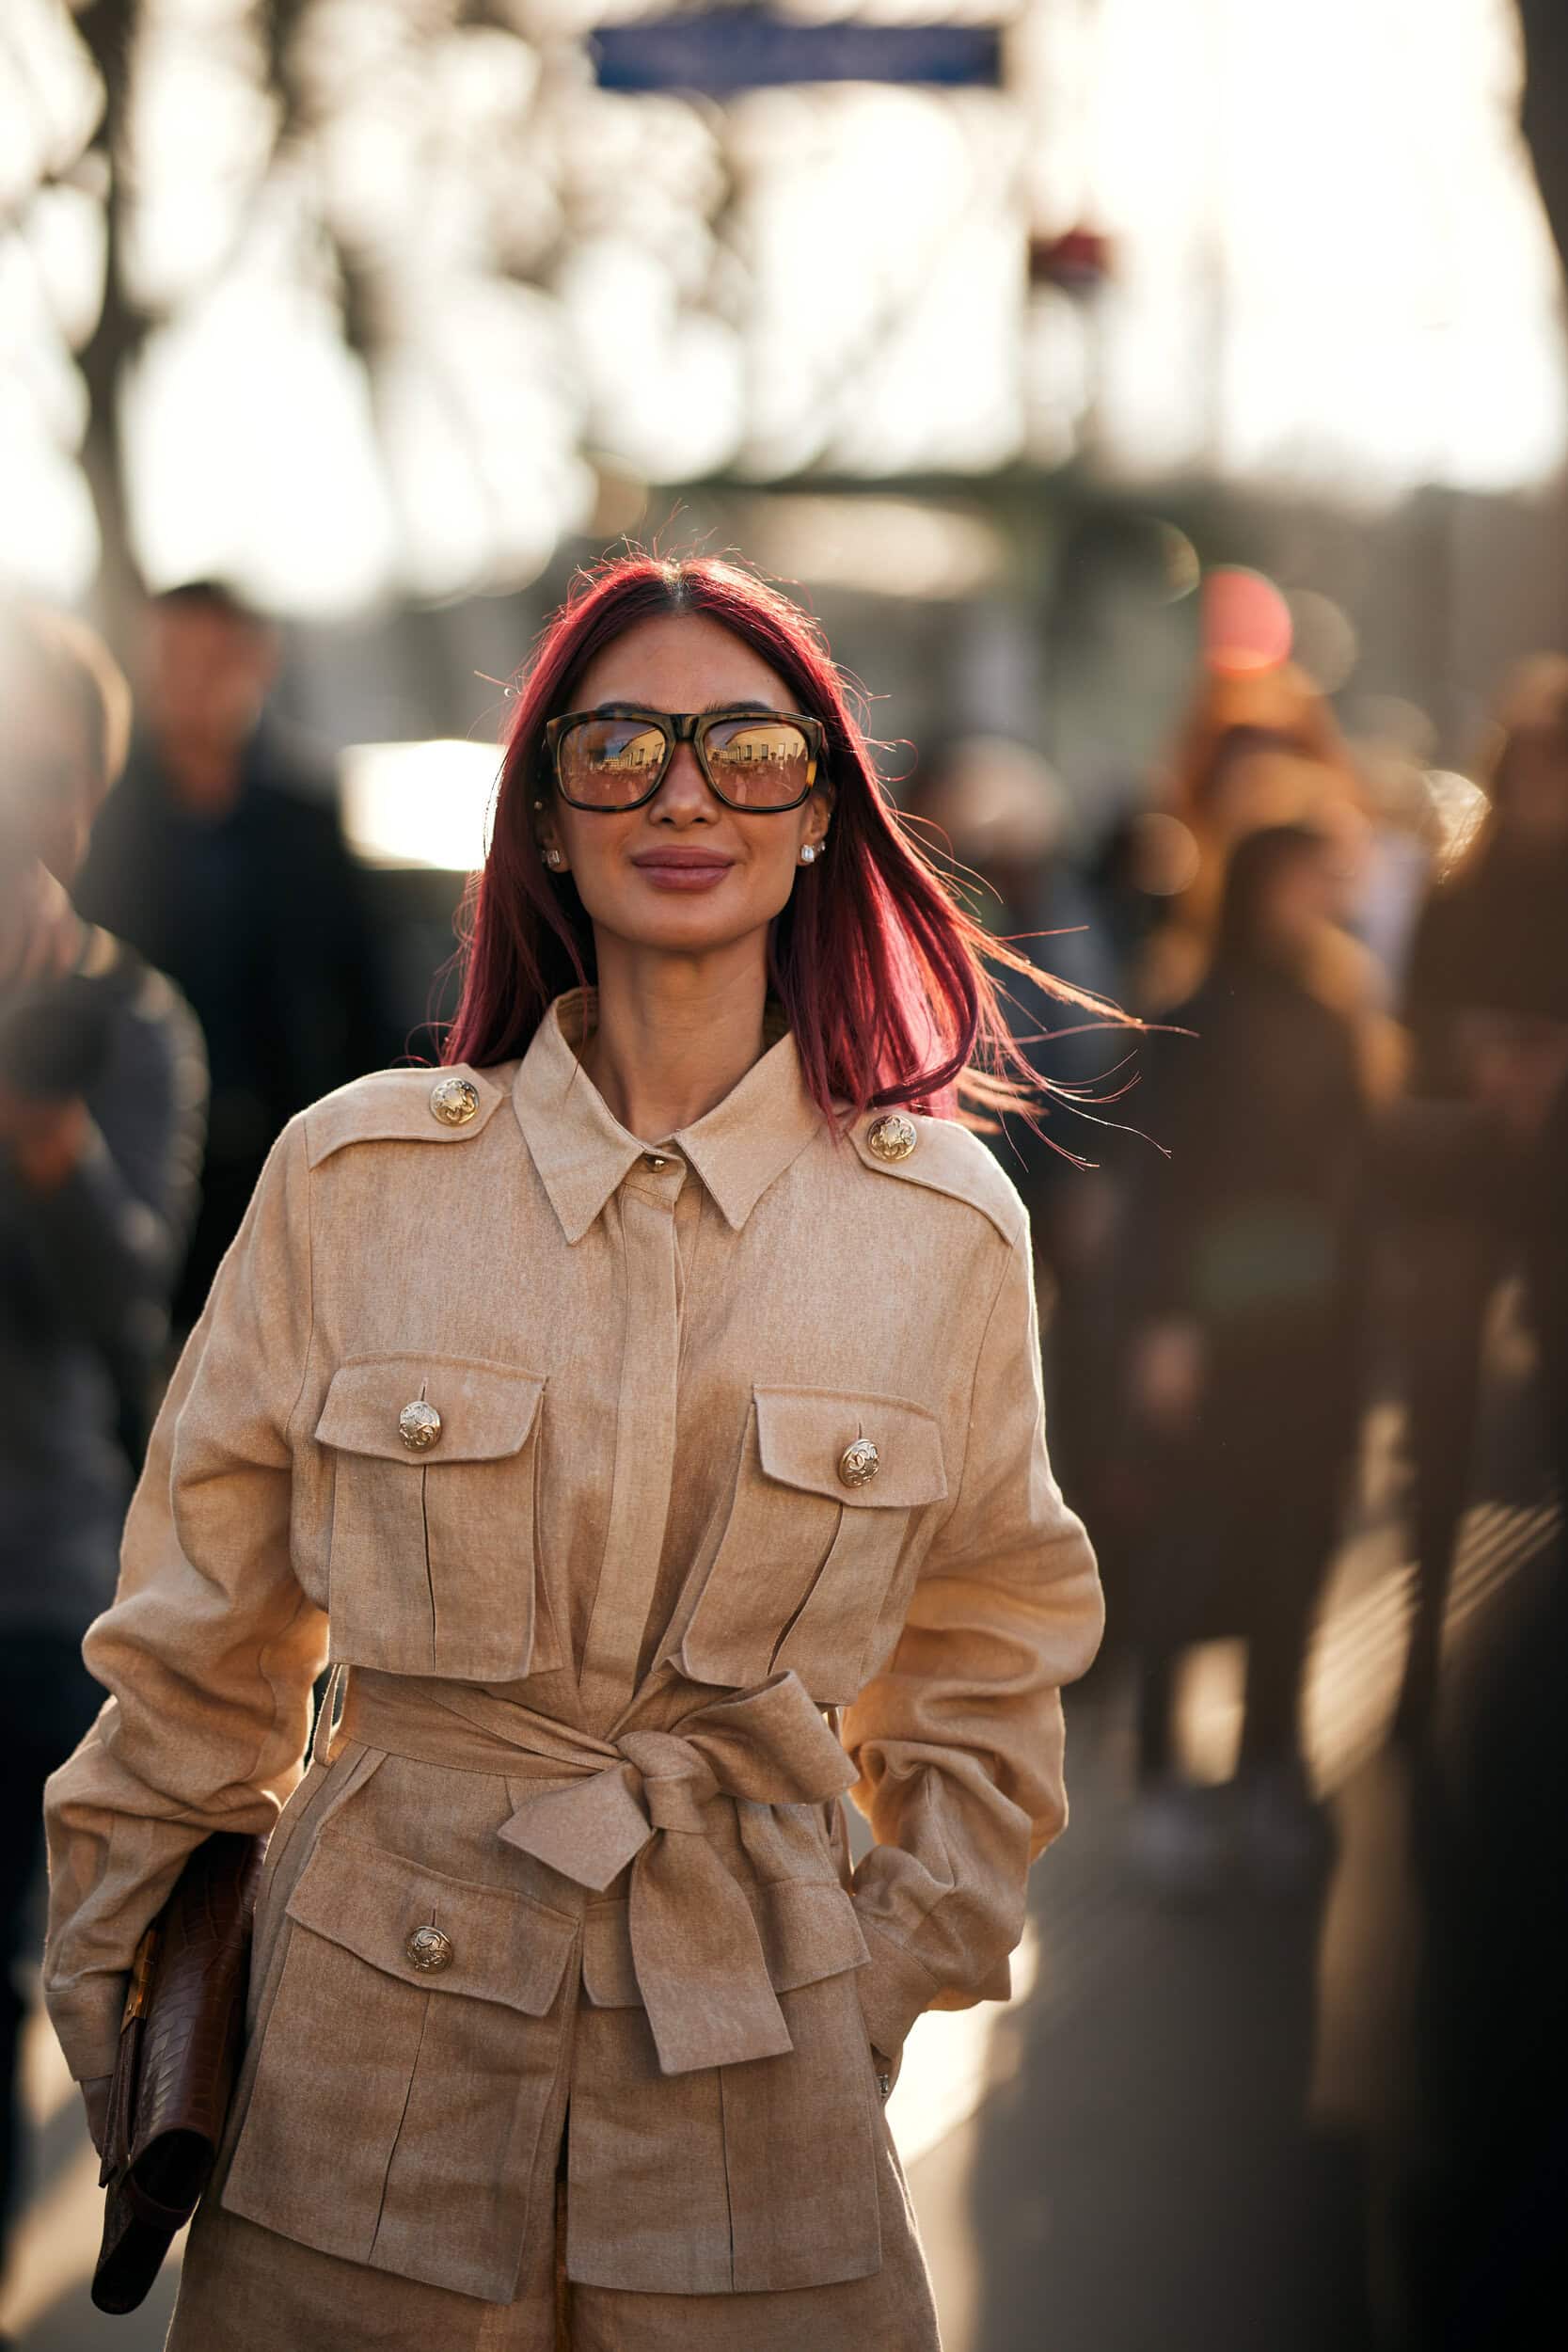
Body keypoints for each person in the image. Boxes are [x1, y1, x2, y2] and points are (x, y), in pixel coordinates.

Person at [41, 553, 1109, 2349]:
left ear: (824, 815)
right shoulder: (357, 1182)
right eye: (617, 746)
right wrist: (129, 1996)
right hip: (358, 2104)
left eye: (748, 748)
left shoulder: (941, 1234)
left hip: (759, 2100)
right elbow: (196, 1650)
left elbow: (990, 1664)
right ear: (540, 816)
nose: (683, 792)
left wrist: (875, 1981)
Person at [0, 605, 203, 2269]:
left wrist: (44, 1133)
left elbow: (124, 1302)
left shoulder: (123, 1021)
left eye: (53, 778)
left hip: (34, 1577)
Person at [1118, 825, 1370, 1893]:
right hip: (1217, 1339)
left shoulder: (1335, 1010)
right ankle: (1163, 1775)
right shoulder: (1193, 1017)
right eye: (1303, 875)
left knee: (1296, 1551)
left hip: (1317, 1340)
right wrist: (1162, 1323)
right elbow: (1158, 1185)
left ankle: (1270, 1762)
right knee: (1188, 1550)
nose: (1320, 894)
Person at [72, 579, 393, 1328]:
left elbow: (361, 986)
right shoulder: (103, 816)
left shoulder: (305, 814)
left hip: (289, 1144)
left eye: (212, 659)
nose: (190, 683)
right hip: (140, 1154)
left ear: (258, 662)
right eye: (171, 660)